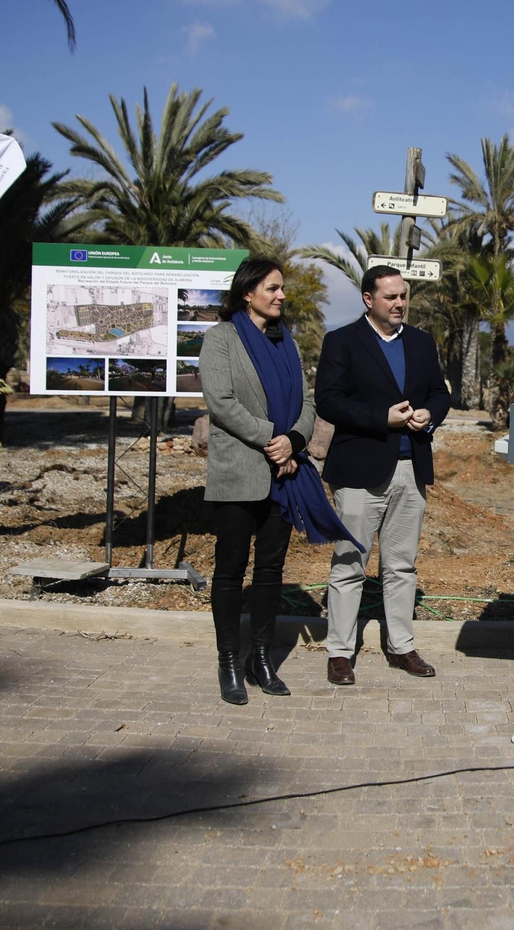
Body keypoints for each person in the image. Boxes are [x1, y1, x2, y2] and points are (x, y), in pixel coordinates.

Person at [201, 257, 355, 705]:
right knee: (230, 571)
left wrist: (293, 440)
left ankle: (260, 658)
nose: (281, 295)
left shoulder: (285, 341)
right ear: (247, 292)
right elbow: (222, 402)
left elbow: (307, 402)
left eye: (282, 288)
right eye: (272, 288)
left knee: (270, 572)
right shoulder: (221, 340)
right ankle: (229, 660)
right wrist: (273, 439)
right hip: (240, 471)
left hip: (284, 473)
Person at [315, 265, 453, 686]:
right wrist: (382, 418)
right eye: (390, 297)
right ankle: (339, 651)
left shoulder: (421, 341)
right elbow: (329, 401)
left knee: (401, 566)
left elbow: (440, 392)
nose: (399, 303)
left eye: (403, 296)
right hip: (359, 470)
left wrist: (432, 413)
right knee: (349, 564)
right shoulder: (342, 341)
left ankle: (401, 646)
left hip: (412, 470)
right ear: (368, 299)